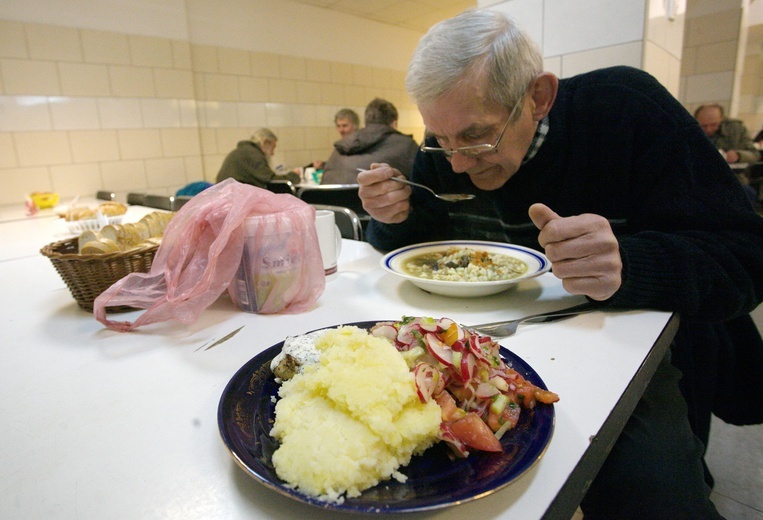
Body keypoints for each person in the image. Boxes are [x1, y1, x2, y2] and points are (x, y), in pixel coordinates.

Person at [358, 9, 763, 519]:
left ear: (539, 97)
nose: (456, 162)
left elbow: (745, 256)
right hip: (486, 347)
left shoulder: (625, 110)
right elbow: (415, 241)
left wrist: (632, 265)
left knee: (650, 492)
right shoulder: (446, 147)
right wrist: (391, 215)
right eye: (441, 139)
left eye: (478, 138)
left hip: (625, 349)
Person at [321, 98, 418, 184]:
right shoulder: (407, 145)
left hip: (326, 203)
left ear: (366, 122)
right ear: (394, 124)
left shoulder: (341, 146)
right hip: (369, 203)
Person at [216, 128, 300, 188]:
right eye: (273, 147)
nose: (272, 153)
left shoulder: (243, 151)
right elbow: (273, 182)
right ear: (264, 141)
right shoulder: (252, 154)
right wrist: (293, 175)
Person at [694, 103, 760, 164]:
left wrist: (739, 155)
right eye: (703, 126)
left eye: (714, 125)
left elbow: (755, 155)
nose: (709, 129)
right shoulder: (689, 131)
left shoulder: (736, 129)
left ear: (721, 119)